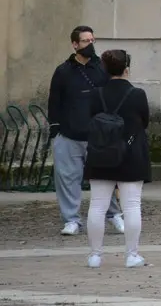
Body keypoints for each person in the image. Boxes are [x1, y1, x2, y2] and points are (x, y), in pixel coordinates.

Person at [47, 25, 124, 236]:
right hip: (69, 134)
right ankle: (71, 220)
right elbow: (54, 102)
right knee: (68, 180)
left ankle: (114, 215)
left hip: (98, 135)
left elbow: (113, 96)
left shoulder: (103, 69)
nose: (90, 44)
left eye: (92, 40)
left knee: (105, 178)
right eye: (85, 41)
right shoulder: (63, 71)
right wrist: (56, 129)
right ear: (74, 44)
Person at [85, 50, 151, 269]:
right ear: (127, 69)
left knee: (97, 206)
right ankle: (131, 255)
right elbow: (144, 121)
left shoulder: (96, 94)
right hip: (130, 154)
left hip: (100, 153)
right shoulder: (137, 94)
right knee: (132, 206)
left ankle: (95, 255)